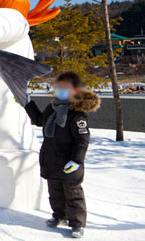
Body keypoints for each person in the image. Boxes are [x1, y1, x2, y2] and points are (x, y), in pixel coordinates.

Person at [24, 72, 100, 238]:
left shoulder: (77, 114)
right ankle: (59, 216)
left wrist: (76, 160)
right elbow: (39, 120)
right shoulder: (52, 108)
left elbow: (82, 140)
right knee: (55, 192)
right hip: (51, 158)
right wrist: (28, 103)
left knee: (73, 194)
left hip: (68, 161)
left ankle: (77, 224)